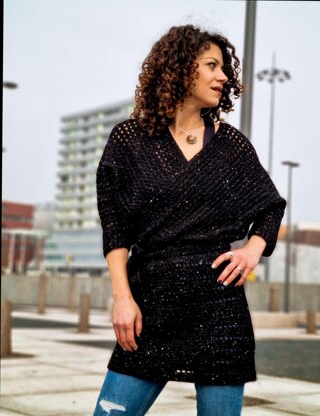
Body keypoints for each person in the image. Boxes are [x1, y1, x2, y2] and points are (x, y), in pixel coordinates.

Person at [93, 24, 286, 416]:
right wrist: (122, 299)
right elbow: (115, 229)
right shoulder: (129, 139)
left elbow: (271, 206)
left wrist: (251, 251)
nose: (223, 76)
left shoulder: (231, 145)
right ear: (180, 68)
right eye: (212, 65)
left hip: (219, 308)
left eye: (224, 68)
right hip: (150, 304)